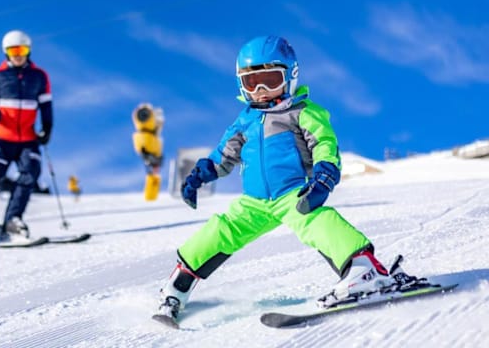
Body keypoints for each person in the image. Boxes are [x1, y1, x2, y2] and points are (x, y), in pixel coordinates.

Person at [154, 36, 423, 324]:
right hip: (253, 203)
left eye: (270, 80)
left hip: (291, 193)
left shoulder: (302, 112)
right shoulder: (245, 122)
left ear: (290, 76)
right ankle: (177, 286)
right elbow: (224, 155)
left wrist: (324, 176)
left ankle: (363, 269)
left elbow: (324, 144)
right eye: (251, 82)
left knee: (316, 221)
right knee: (221, 230)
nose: (260, 91)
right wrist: (198, 176)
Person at [0, 30, 53, 239]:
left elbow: (46, 106)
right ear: (6, 52)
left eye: (22, 50)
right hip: (1, 138)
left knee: (30, 174)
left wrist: (47, 128)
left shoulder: (39, 76)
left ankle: (12, 220)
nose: (18, 55)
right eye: (13, 51)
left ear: (28, 51)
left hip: (28, 139)